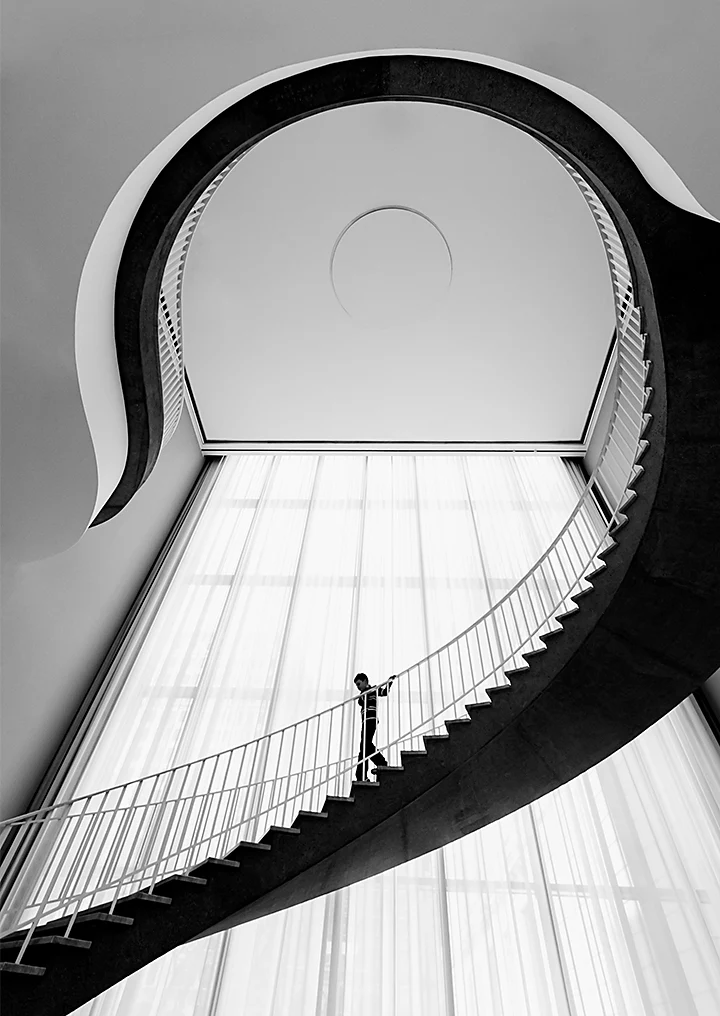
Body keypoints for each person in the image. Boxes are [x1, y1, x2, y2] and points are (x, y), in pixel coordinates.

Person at [354, 671, 396, 782]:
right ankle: (379, 765)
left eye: (359, 684)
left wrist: (389, 682)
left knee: (364, 746)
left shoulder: (373, 690)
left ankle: (363, 775)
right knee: (365, 747)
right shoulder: (365, 694)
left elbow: (384, 692)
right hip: (366, 721)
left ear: (365, 681)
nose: (358, 687)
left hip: (371, 721)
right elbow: (361, 701)